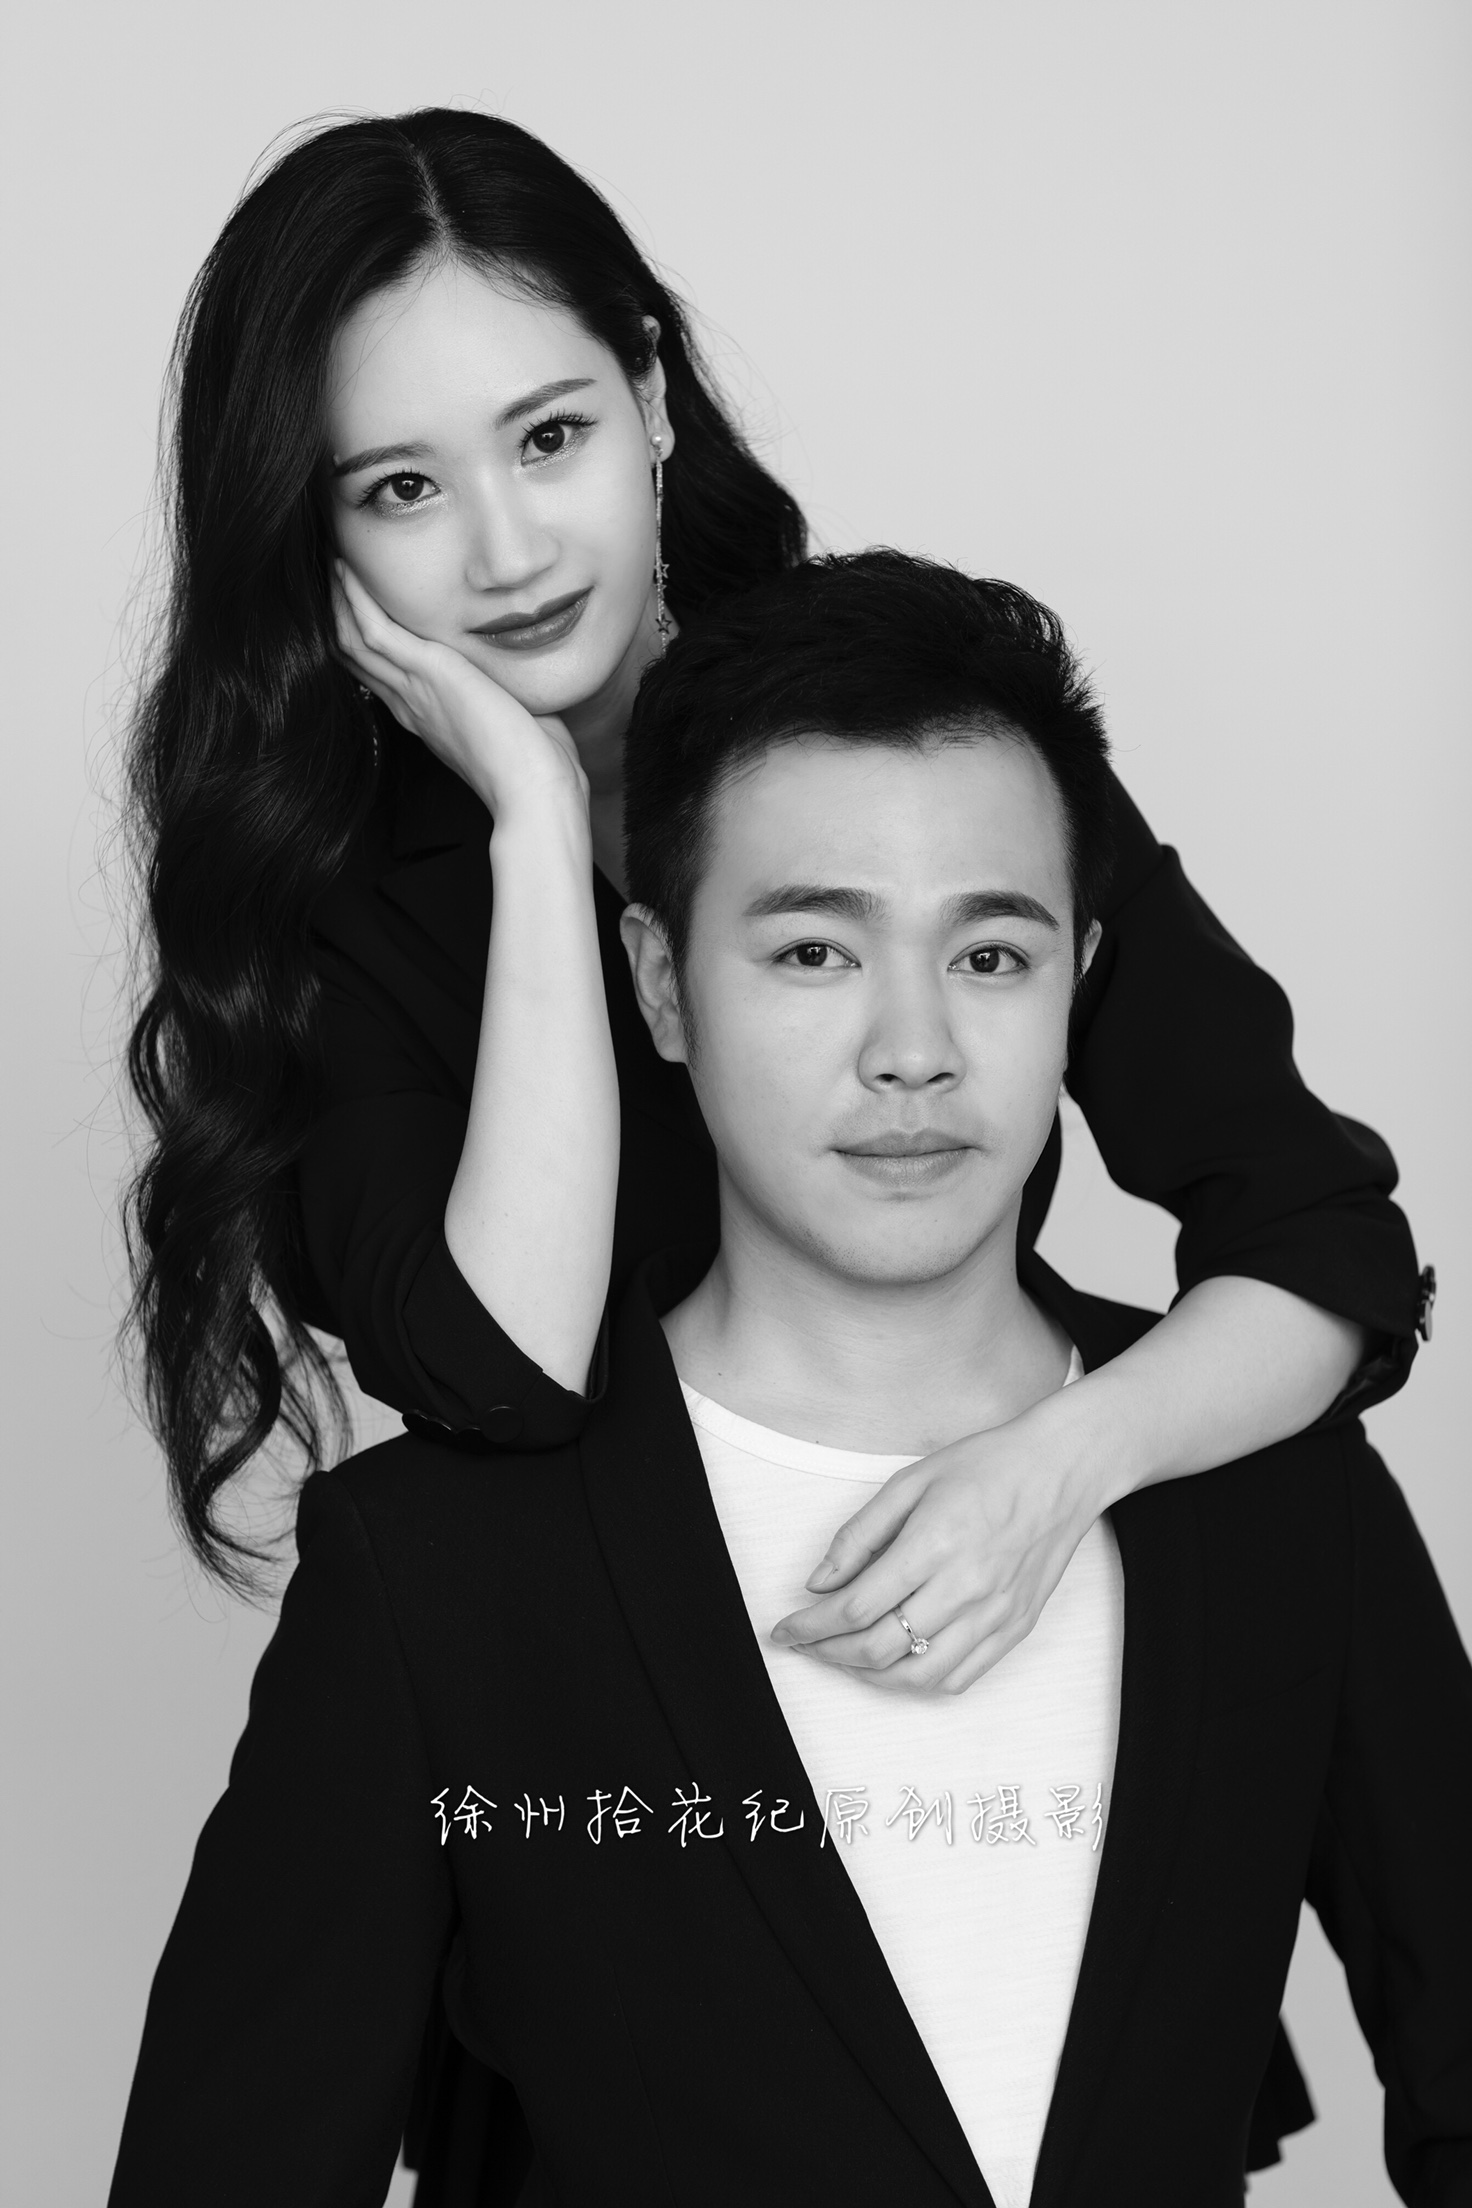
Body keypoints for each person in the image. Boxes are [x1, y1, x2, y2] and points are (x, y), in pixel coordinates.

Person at [119, 106, 1424, 2184]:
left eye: (551, 437)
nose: (507, 551)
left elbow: (1325, 1243)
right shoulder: (335, 913)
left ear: (650, 399)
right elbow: (504, 1376)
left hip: (994, 1777)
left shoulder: (910, 735)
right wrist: (534, 819)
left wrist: (1048, 1472)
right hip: (605, 1872)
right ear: (322, 541)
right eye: (403, 489)